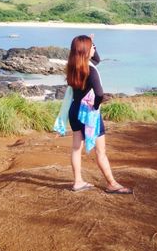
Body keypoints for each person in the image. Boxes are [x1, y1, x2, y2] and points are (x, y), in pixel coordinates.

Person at [65, 34, 132, 194]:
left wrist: (91, 42)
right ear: (87, 51)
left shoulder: (73, 66)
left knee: (76, 148)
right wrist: (96, 106)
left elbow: (97, 59)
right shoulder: (91, 71)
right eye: (92, 46)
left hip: (74, 110)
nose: (94, 48)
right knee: (100, 151)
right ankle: (112, 184)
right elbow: (100, 94)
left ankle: (78, 182)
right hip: (88, 113)